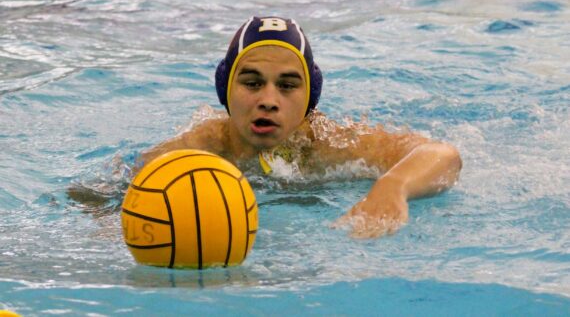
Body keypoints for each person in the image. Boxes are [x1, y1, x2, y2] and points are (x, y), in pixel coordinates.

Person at [136, 16, 462, 238]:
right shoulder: (196, 150)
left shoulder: (329, 145)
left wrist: (393, 187)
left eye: (288, 86)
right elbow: (112, 193)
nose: (268, 100)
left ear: (310, 98)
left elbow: (442, 155)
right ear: (225, 90)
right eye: (252, 83)